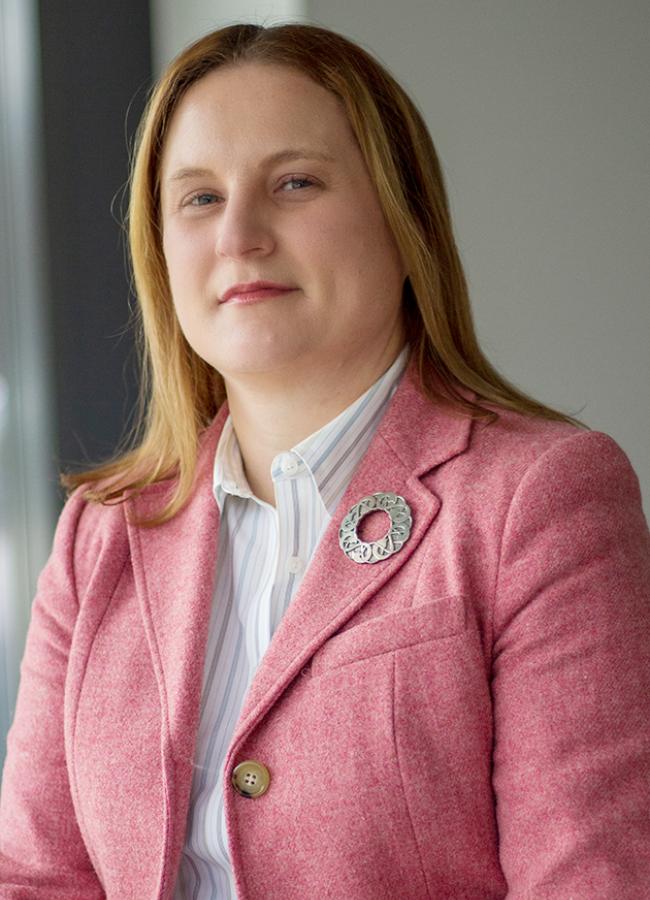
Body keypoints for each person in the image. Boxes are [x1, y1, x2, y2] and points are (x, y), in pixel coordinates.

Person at [1, 20, 648, 899]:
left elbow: (589, 881)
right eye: (197, 197)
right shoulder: (100, 536)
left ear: (403, 215)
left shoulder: (539, 499)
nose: (239, 234)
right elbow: (35, 876)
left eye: (295, 182)